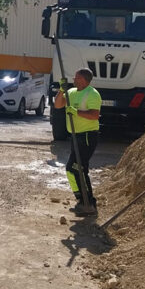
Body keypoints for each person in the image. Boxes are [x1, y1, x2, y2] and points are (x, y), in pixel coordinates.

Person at [53, 67, 101, 216]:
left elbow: (94, 115)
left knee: (78, 168)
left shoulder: (92, 94)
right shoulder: (72, 92)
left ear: (84, 79)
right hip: (75, 136)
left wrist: (76, 112)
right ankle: (81, 199)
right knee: (70, 169)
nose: (73, 80)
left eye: (76, 78)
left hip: (87, 136)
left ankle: (90, 203)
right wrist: (61, 90)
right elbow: (58, 105)